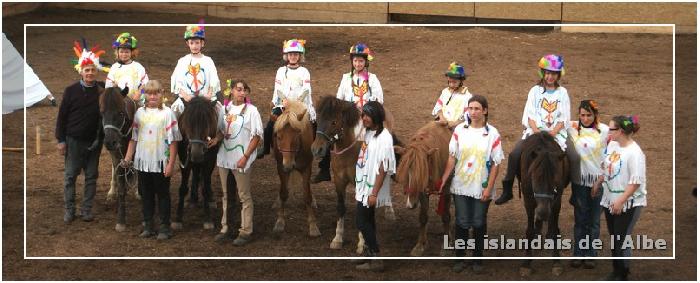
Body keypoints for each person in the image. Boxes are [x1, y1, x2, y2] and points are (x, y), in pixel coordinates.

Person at [438, 95, 503, 273]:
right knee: (462, 220)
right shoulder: (460, 130)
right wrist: (444, 178)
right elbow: (452, 157)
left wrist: (489, 188)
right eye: (470, 109)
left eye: (476, 109)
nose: (473, 112)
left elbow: (496, 163)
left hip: (481, 186)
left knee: (479, 221)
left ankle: (477, 258)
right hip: (461, 184)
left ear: (485, 111)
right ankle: (459, 257)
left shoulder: (492, 134)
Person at [495, 54, 571, 205]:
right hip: (535, 133)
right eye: (547, 73)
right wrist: (537, 132)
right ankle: (508, 188)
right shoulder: (534, 91)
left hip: (556, 133)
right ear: (543, 73)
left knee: (574, 156)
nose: (550, 77)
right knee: (515, 154)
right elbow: (530, 114)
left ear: (558, 75)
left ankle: (573, 191)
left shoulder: (562, 93)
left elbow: (564, 116)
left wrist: (553, 132)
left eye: (554, 73)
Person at [55, 39, 108, 223]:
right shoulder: (70, 91)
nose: (90, 73)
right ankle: (69, 209)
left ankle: (86, 209)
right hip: (74, 140)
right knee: (70, 175)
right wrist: (61, 140)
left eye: (93, 70)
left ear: (96, 70)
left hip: (94, 141)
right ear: (81, 71)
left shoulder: (102, 90)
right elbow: (61, 117)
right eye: (87, 70)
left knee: (91, 176)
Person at [122, 80, 181, 240]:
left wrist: (171, 164)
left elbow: (173, 141)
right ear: (145, 95)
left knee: (162, 194)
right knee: (145, 193)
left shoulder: (167, 113)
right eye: (149, 93)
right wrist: (128, 158)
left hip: (160, 161)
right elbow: (133, 138)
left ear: (162, 93)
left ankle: (164, 226)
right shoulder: (139, 113)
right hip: (143, 162)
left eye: (156, 93)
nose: (153, 96)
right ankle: (148, 224)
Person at [320, 43, 384, 184]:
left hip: (366, 116)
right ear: (352, 62)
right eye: (355, 60)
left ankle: (377, 166)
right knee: (330, 135)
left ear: (366, 62)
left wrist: (367, 109)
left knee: (375, 140)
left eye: (360, 61)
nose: (358, 63)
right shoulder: (345, 78)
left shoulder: (372, 79)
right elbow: (339, 98)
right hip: (348, 117)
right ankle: (324, 168)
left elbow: (379, 99)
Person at [592, 115, 645, 281]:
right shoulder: (613, 144)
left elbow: (636, 182)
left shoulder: (635, 153)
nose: (608, 131)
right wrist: (599, 182)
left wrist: (621, 200)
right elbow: (607, 166)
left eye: (611, 129)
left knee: (620, 239)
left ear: (621, 131)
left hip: (628, 203)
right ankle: (617, 270)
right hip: (610, 199)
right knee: (614, 236)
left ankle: (622, 273)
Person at [213, 80, 263, 246]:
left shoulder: (252, 111)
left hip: (241, 158)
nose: (242, 93)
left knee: (244, 195)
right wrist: (215, 140)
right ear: (231, 91)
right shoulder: (224, 110)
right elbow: (221, 131)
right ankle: (226, 227)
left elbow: (256, 136)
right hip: (224, 158)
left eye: (244, 90)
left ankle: (245, 230)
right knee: (227, 194)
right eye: (238, 89)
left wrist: (246, 156)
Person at [352, 101, 395, 272]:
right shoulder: (369, 134)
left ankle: (376, 257)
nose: (364, 119)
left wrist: (374, 193)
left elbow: (384, 167)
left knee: (361, 222)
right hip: (364, 184)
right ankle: (369, 255)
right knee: (368, 220)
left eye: (367, 115)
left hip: (371, 188)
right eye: (363, 115)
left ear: (376, 116)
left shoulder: (385, 138)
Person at [568, 100, 609, 269]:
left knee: (594, 221)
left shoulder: (605, 131)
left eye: (589, 115)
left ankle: (591, 254)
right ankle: (578, 253)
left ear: (595, 115)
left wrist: (600, 180)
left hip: (598, 182)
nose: (585, 118)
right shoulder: (571, 128)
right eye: (582, 115)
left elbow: (610, 156)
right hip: (579, 182)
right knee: (580, 219)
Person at [260, 39, 315, 158]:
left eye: (296, 54)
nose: (293, 57)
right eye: (291, 54)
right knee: (270, 125)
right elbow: (278, 88)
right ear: (287, 56)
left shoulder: (304, 71)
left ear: (300, 56)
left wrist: (298, 102)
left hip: (300, 105)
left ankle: (315, 149)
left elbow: (306, 89)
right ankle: (265, 148)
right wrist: (284, 99)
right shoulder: (280, 71)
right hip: (283, 105)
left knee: (314, 124)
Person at [170, 20, 221, 117]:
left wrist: (209, 94)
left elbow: (214, 79)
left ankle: (222, 132)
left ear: (202, 43)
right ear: (187, 44)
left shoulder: (208, 61)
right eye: (191, 43)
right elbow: (177, 81)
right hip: (188, 98)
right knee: (173, 112)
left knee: (220, 112)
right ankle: (174, 132)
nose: (194, 46)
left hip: (205, 97)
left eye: (197, 43)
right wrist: (185, 96)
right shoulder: (182, 61)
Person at [106, 32, 149, 104]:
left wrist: (140, 93)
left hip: (136, 102)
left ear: (132, 53)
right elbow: (108, 87)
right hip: (118, 103)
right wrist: (114, 88)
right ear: (117, 52)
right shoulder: (114, 67)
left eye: (127, 52)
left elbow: (146, 85)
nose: (124, 54)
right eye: (121, 52)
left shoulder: (138, 67)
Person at [432, 62, 472, 129]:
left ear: (461, 81)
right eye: (450, 82)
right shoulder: (445, 92)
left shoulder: (468, 97)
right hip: (442, 125)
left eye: (454, 82)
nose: (451, 85)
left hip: (458, 129)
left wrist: (455, 123)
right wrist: (442, 118)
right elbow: (438, 107)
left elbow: (467, 114)